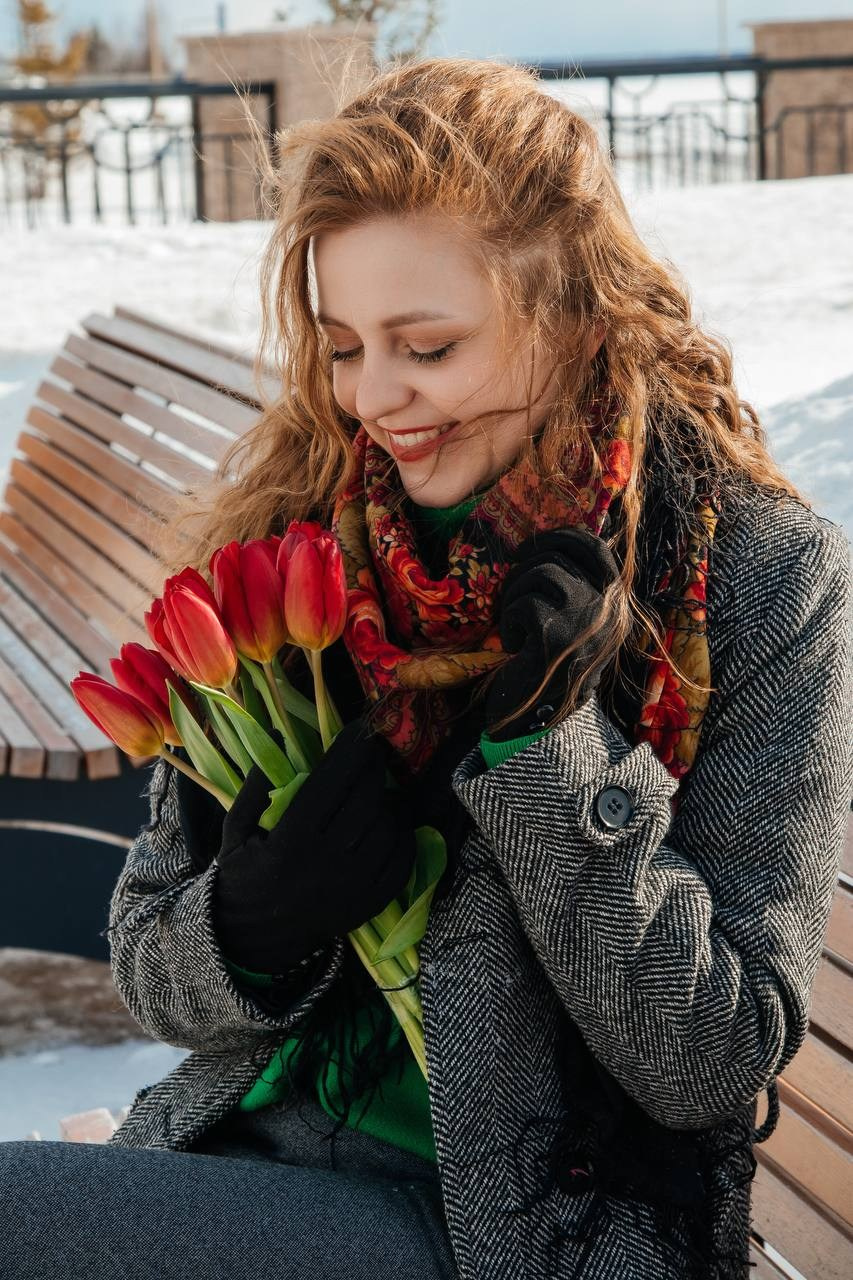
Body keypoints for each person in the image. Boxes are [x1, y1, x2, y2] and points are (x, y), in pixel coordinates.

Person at [2, 57, 851, 1280]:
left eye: (429, 346)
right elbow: (152, 969)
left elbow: (709, 1060)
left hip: (524, 1228)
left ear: (573, 313)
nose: (374, 399)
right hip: (254, 1159)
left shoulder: (753, 577)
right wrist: (249, 922)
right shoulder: (305, 541)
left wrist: (550, 748)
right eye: (345, 347)